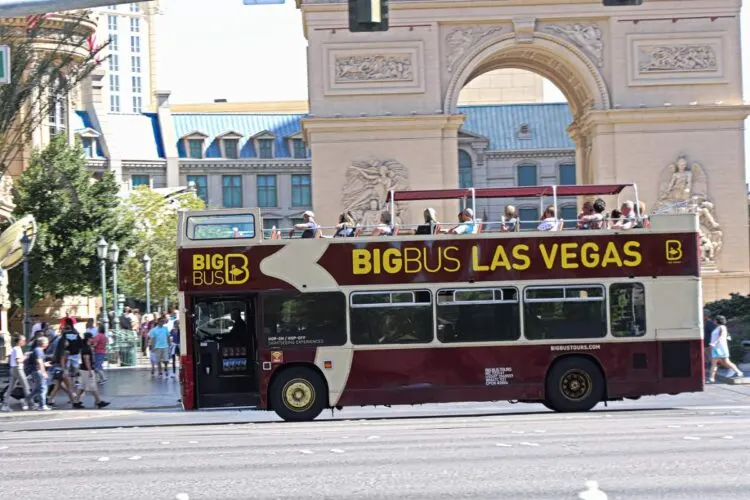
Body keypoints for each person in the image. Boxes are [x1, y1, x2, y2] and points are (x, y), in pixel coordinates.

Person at [73, 333, 110, 409]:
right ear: (88, 339)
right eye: (92, 338)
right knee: (92, 386)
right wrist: (90, 370)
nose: (93, 339)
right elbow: (87, 360)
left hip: (83, 369)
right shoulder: (86, 348)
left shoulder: (86, 347)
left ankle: (76, 401)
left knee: (82, 386)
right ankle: (99, 402)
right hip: (87, 370)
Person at [707, 315, 743, 383]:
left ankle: (739, 372)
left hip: (721, 347)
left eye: (715, 320)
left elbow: (722, 336)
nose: (714, 321)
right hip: (715, 348)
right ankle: (711, 378)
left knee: (726, 362)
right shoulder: (717, 327)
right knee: (714, 363)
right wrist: (713, 345)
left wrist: (714, 343)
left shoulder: (722, 327)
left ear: (718, 320)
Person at [1, 334, 32, 411]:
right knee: (26, 386)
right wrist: (25, 356)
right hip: (18, 369)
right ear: (19, 341)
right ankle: (31, 403)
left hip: (13, 369)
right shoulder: (17, 349)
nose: (25, 342)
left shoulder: (15, 348)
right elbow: (18, 361)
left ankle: (5, 405)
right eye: (23, 340)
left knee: (11, 387)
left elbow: (11, 359)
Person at [26, 336, 50, 411]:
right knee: (43, 388)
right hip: (37, 371)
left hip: (36, 370)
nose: (48, 343)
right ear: (44, 343)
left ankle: (26, 400)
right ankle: (42, 405)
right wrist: (44, 373)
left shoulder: (38, 350)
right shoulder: (38, 350)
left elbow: (38, 362)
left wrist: (45, 364)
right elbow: (39, 362)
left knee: (38, 388)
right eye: (47, 342)